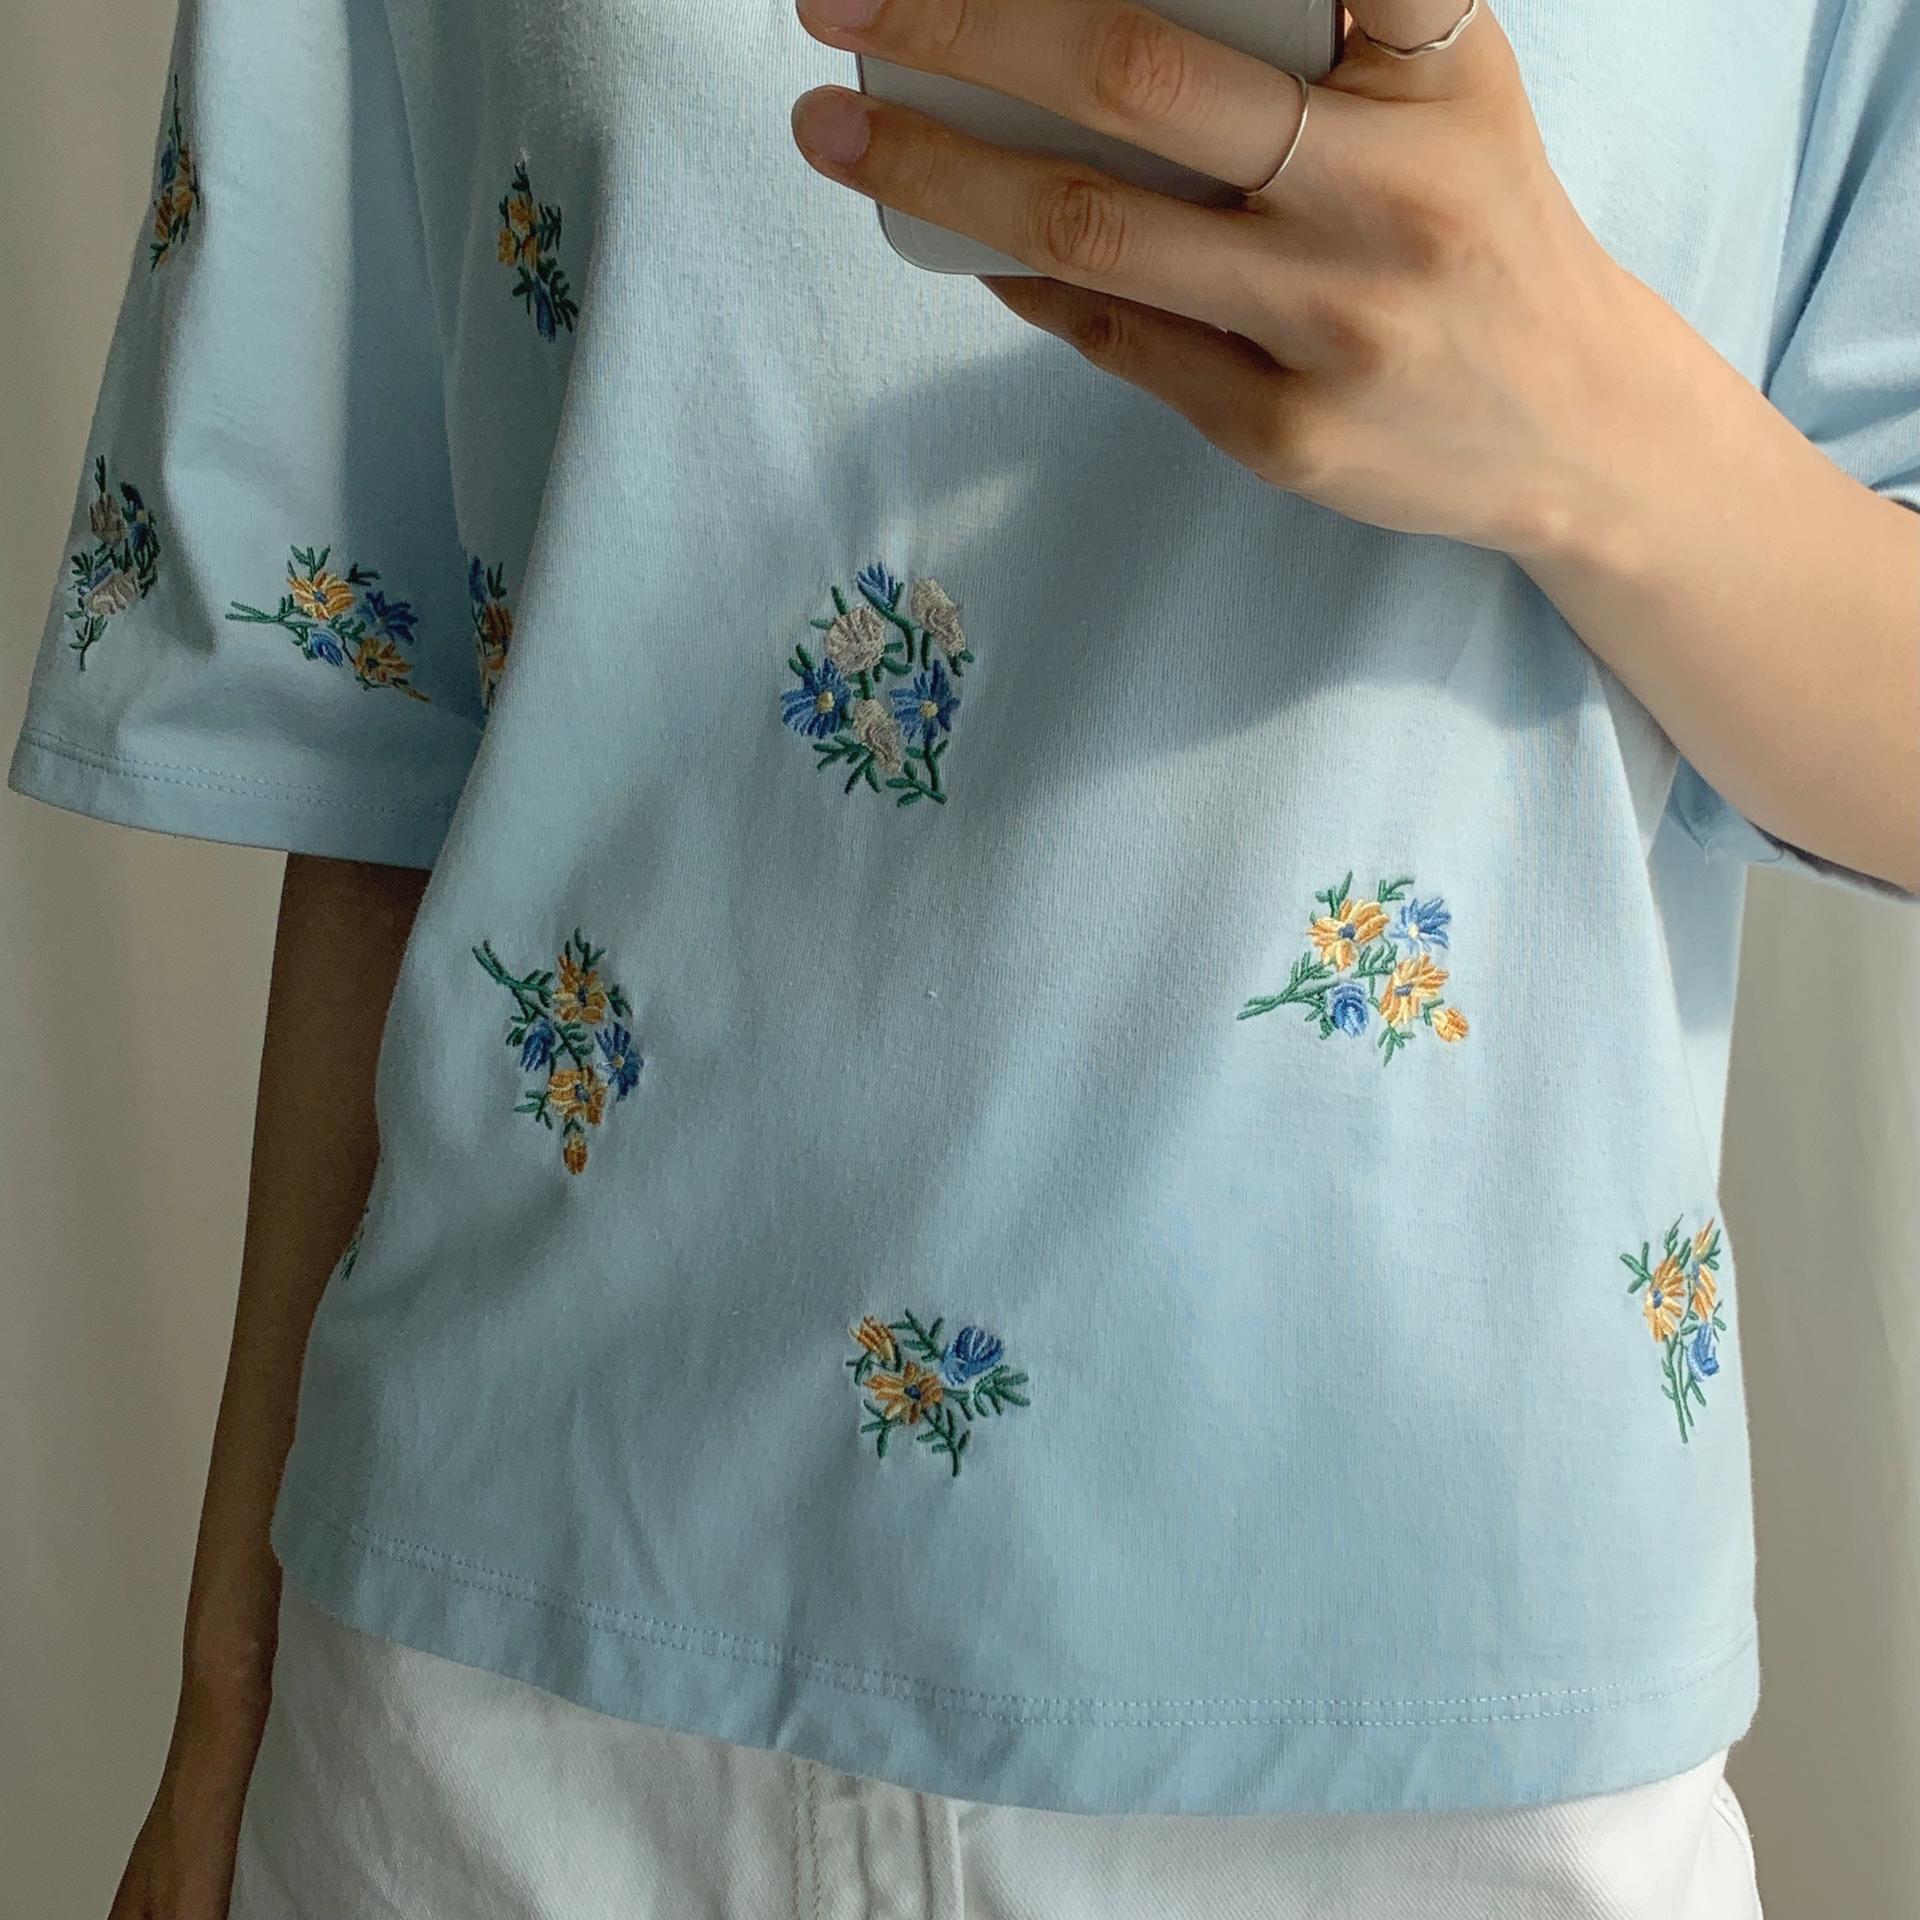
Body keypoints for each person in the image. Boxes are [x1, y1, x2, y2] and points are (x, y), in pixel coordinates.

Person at [11, 0, 1916, 1913]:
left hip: (1434, 1737)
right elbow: (393, 737)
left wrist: (1593, 426)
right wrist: (228, 1694)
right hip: (501, 1711)